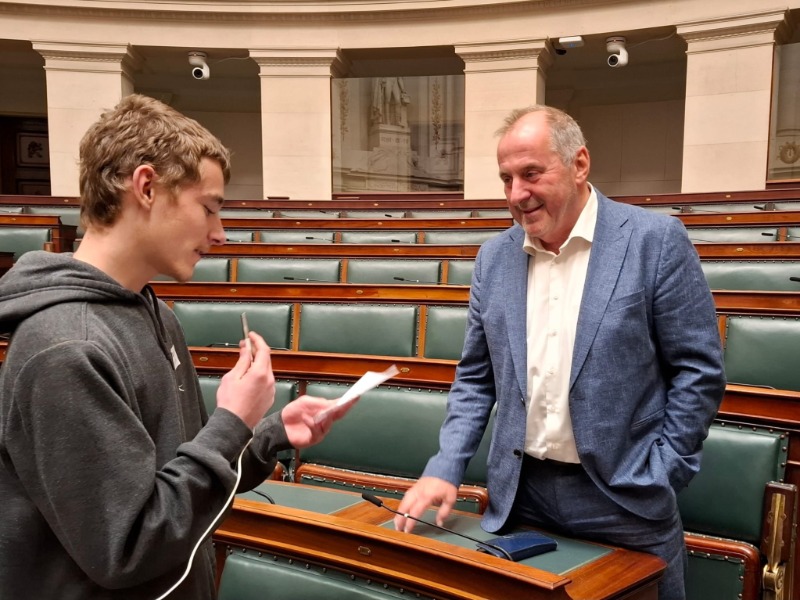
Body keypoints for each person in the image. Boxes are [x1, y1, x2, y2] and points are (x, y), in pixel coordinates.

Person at [0, 94, 349, 599]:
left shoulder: (154, 313)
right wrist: (231, 421)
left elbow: (179, 486)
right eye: (208, 208)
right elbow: (129, 548)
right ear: (146, 187)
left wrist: (268, 435)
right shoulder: (66, 347)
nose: (221, 233)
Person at [394, 105, 726, 600]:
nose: (516, 195)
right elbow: (476, 378)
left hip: (626, 497)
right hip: (521, 495)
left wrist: (665, 467)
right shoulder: (494, 257)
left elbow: (698, 369)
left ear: (579, 164)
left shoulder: (654, 240)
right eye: (506, 178)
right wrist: (446, 465)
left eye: (531, 174)